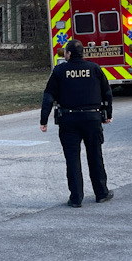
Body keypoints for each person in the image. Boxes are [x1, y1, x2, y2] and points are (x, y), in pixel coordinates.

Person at [40, 40, 114, 208]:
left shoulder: (60, 71)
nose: (64, 55)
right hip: (92, 119)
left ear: (69, 54)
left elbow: (48, 96)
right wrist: (108, 114)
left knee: (72, 159)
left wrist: (43, 120)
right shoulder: (94, 68)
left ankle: (76, 198)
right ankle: (101, 193)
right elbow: (107, 93)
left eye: (65, 52)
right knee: (95, 156)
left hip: (69, 121)